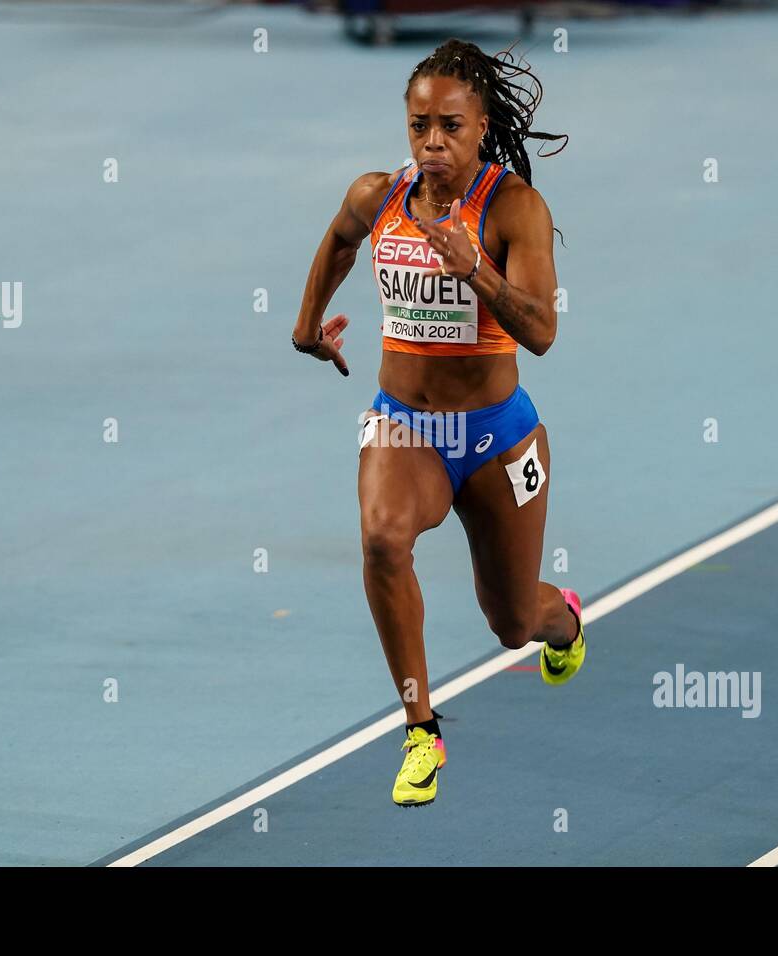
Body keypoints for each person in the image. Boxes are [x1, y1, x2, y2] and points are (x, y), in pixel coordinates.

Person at [291, 38, 585, 808]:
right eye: (419, 125)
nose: (432, 144)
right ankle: (422, 728)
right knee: (383, 539)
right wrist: (307, 324)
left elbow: (543, 332)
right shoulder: (378, 194)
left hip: (497, 438)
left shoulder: (514, 209)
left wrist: (475, 271)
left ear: (482, 127)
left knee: (514, 623)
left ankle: (566, 622)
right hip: (405, 429)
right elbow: (340, 240)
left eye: (450, 126)